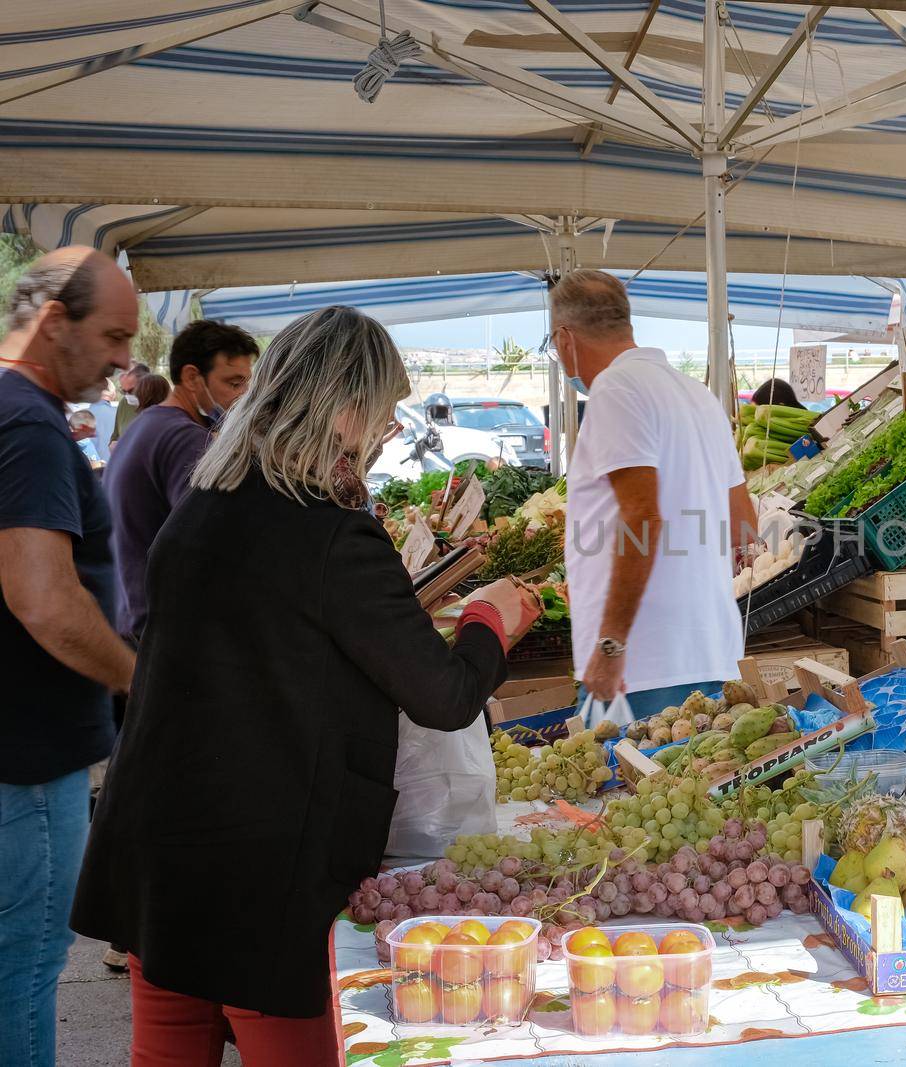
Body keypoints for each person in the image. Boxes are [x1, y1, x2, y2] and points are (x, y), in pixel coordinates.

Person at [71, 306, 542, 1065]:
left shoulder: (204, 503)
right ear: (347, 408)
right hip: (263, 868)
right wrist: (491, 620)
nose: (384, 437)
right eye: (385, 417)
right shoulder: (326, 528)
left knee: (167, 1051)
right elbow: (446, 696)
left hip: (164, 845)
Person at [0, 247, 139, 1067]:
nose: (125, 357)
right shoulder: (26, 422)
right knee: (24, 968)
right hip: (27, 756)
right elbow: (46, 600)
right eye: (114, 334)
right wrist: (136, 678)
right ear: (54, 323)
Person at [547, 269, 758, 720]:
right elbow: (744, 525)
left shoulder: (615, 390)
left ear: (565, 339)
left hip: (642, 666)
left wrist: (610, 644)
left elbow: (642, 516)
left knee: (623, 787)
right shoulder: (697, 395)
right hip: (710, 653)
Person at [106, 320, 257, 642]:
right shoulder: (184, 438)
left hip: (131, 617)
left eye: (247, 385)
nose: (243, 396)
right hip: (162, 629)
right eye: (233, 383)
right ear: (192, 377)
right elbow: (209, 542)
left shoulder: (146, 425)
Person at [110, 361, 150, 445]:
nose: (127, 395)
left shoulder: (160, 405)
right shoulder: (124, 404)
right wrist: (112, 444)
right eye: (123, 391)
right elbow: (115, 435)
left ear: (146, 384)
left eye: (131, 390)